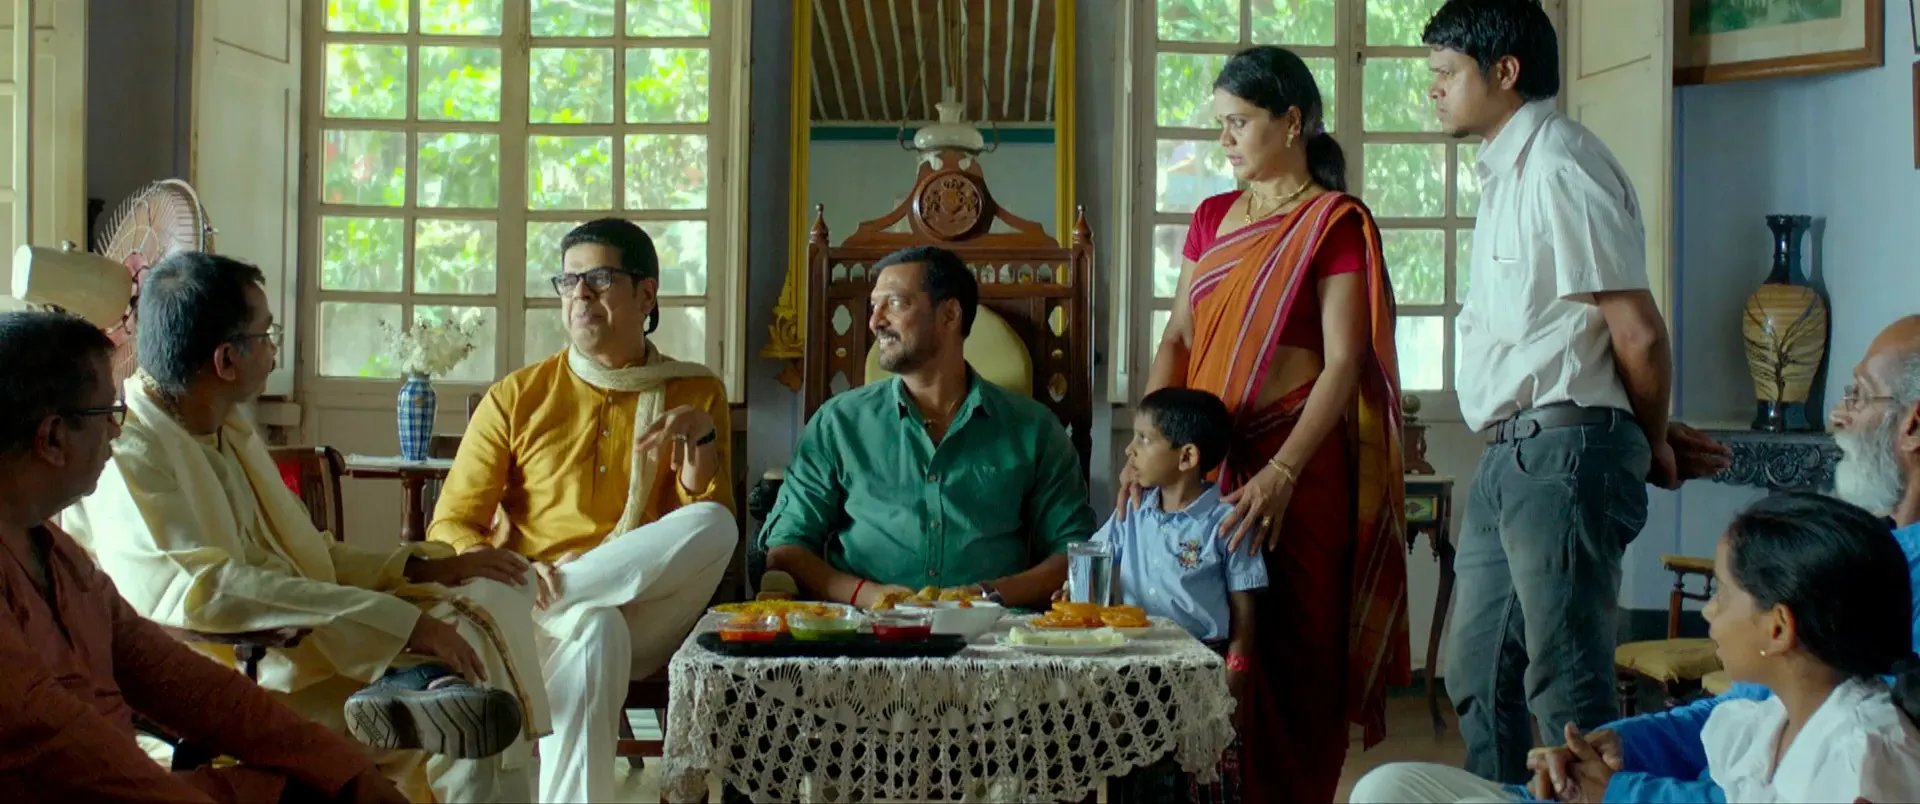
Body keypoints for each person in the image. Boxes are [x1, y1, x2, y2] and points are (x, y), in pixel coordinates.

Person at [1346, 315, 1920, 802]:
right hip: (1633, 786)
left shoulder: (1863, 738)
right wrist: (1616, 746)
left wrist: (1621, 791)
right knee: (1386, 787)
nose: (1839, 415)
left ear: (1913, 424)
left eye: (1858, 394)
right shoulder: (1858, 558)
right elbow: (1742, 712)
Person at [62, 253, 550, 803]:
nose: (274, 350)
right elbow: (202, 592)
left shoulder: (221, 426)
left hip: (312, 647)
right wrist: (397, 624)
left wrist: (427, 567)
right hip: (246, 678)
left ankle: (422, 685)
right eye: (266, 335)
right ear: (227, 360)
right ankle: (420, 689)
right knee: (473, 714)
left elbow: (306, 555)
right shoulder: (128, 452)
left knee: (487, 605)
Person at [1422, 0, 1733, 782]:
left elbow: (1638, 333)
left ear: (1504, 72)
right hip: (1515, 451)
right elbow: (1567, 337)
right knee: (1477, 675)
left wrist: (1650, 440)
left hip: (1561, 451)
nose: (1434, 89)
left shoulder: (1561, 162)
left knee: (1566, 686)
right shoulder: (1507, 173)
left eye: (1447, 73)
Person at [1124, 43, 1408, 802]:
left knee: (1298, 653)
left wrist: (1283, 472)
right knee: (1201, 636)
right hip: (1206, 465)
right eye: (1219, 123)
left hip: (1299, 470)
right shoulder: (1212, 217)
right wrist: (1146, 444)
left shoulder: (1334, 222)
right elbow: (1178, 336)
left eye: (1238, 122)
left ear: (1291, 122)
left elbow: (1344, 361)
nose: (1224, 139)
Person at [0, 310, 409, 804]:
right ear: (53, 438)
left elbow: (174, 676)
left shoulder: (55, 551)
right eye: (107, 413)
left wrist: (343, 771)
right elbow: (56, 745)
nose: (116, 431)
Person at [427, 217, 738, 803]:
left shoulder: (695, 391)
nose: (580, 295)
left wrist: (700, 439)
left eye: (599, 279)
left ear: (646, 294)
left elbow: (703, 523)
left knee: (717, 524)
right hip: (535, 610)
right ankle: (551, 598)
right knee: (597, 628)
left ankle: (555, 595)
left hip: (642, 608)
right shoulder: (517, 396)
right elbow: (451, 523)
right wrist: (508, 569)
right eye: (568, 282)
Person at [762, 245, 1097, 610]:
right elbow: (786, 547)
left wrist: (984, 596)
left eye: (895, 303)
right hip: (862, 629)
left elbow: (1074, 552)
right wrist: (868, 595)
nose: (875, 322)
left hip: (993, 632)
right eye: (874, 306)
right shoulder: (838, 424)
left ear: (950, 314)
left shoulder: (1034, 429)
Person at [1092, 387, 1265, 802]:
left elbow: (1245, 615)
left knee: (1200, 781)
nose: (1130, 450)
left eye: (1143, 439)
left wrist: (1234, 679)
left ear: (1187, 457)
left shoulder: (1226, 523)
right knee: (1134, 778)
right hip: (1134, 668)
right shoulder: (1131, 511)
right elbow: (1091, 557)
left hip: (1201, 672)